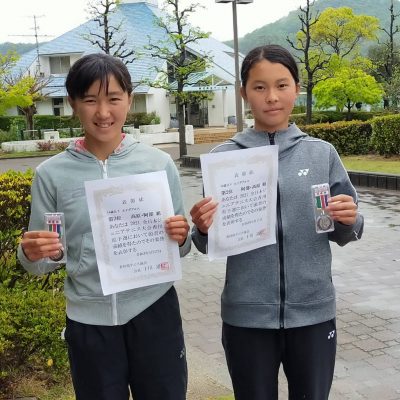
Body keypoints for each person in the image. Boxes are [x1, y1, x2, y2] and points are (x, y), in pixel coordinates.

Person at [190, 44, 364, 400]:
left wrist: (348, 219)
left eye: (282, 85)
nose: (271, 97)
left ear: (296, 89)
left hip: (313, 313)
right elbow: (207, 241)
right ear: (243, 92)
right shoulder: (224, 160)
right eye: (259, 87)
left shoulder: (321, 153)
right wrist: (203, 228)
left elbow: (345, 230)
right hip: (247, 317)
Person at [18, 53, 190, 400]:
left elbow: (182, 245)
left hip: (154, 311)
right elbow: (42, 261)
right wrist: (32, 253)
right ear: (73, 104)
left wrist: (182, 236)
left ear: (129, 99)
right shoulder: (51, 175)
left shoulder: (158, 164)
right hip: (89, 320)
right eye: (90, 100)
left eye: (113, 98)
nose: (103, 112)